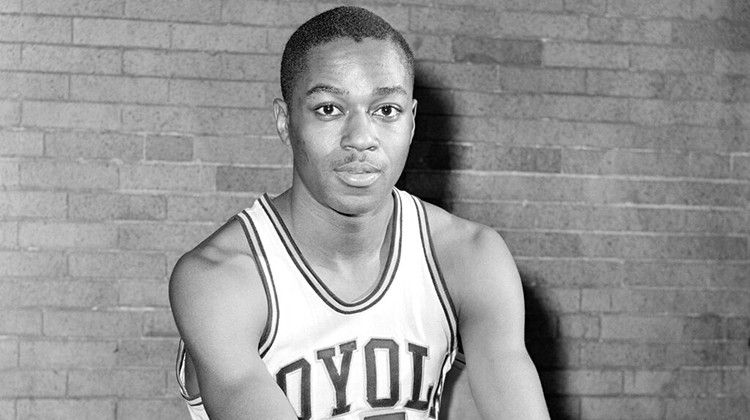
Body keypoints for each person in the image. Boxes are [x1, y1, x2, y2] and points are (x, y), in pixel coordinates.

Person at [169, 6, 550, 420]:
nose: (362, 138)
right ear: (284, 122)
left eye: (386, 110)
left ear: (412, 122)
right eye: (329, 109)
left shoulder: (471, 256)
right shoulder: (221, 279)